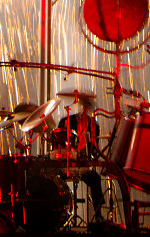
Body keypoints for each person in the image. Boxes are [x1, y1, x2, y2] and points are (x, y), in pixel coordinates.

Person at [55, 94, 105, 222]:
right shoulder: (67, 121)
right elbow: (58, 145)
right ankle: (57, 213)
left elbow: (95, 151)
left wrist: (90, 147)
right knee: (55, 181)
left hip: (82, 165)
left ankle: (98, 214)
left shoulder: (94, 125)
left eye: (88, 107)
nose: (85, 109)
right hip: (67, 163)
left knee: (95, 179)